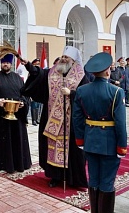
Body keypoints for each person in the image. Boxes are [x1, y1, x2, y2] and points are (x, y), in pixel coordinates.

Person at [21, 46, 89, 188]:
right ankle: (55, 176)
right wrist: (28, 65)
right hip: (52, 119)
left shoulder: (81, 76)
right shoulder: (52, 73)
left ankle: (73, 179)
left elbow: (87, 96)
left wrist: (71, 94)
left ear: (73, 61)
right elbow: (38, 74)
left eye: (67, 57)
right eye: (62, 56)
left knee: (73, 152)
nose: (63, 59)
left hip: (71, 123)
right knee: (51, 148)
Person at [72, 52, 127, 213]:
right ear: (108, 71)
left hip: (89, 141)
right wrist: (122, 146)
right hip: (109, 143)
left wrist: (81, 140)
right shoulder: (116, 91)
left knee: (93, 179)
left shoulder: (81, 91)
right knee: (107, 182)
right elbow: (120, 123)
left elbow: (77, 118)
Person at [0, 53, 31, 173]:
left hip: (17, 117)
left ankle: (18, 163)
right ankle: (0, 164)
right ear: (1, 64)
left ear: (11, 64)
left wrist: (23, 102)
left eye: (8, 62)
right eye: (4, 62)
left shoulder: (17, 78)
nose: (6, 64)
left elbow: (24, 93)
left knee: (16, 140)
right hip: (0, 118)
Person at [29, 58, 43, 126]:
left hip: (39, 92)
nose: (38, 65)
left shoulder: (39, 72)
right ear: (33, 64)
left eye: (38, 64)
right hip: (33, 92)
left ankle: (37, 119)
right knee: (33, 106)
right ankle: (33, 120)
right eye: (36, 64)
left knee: (38, 106)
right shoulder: (31, 73)